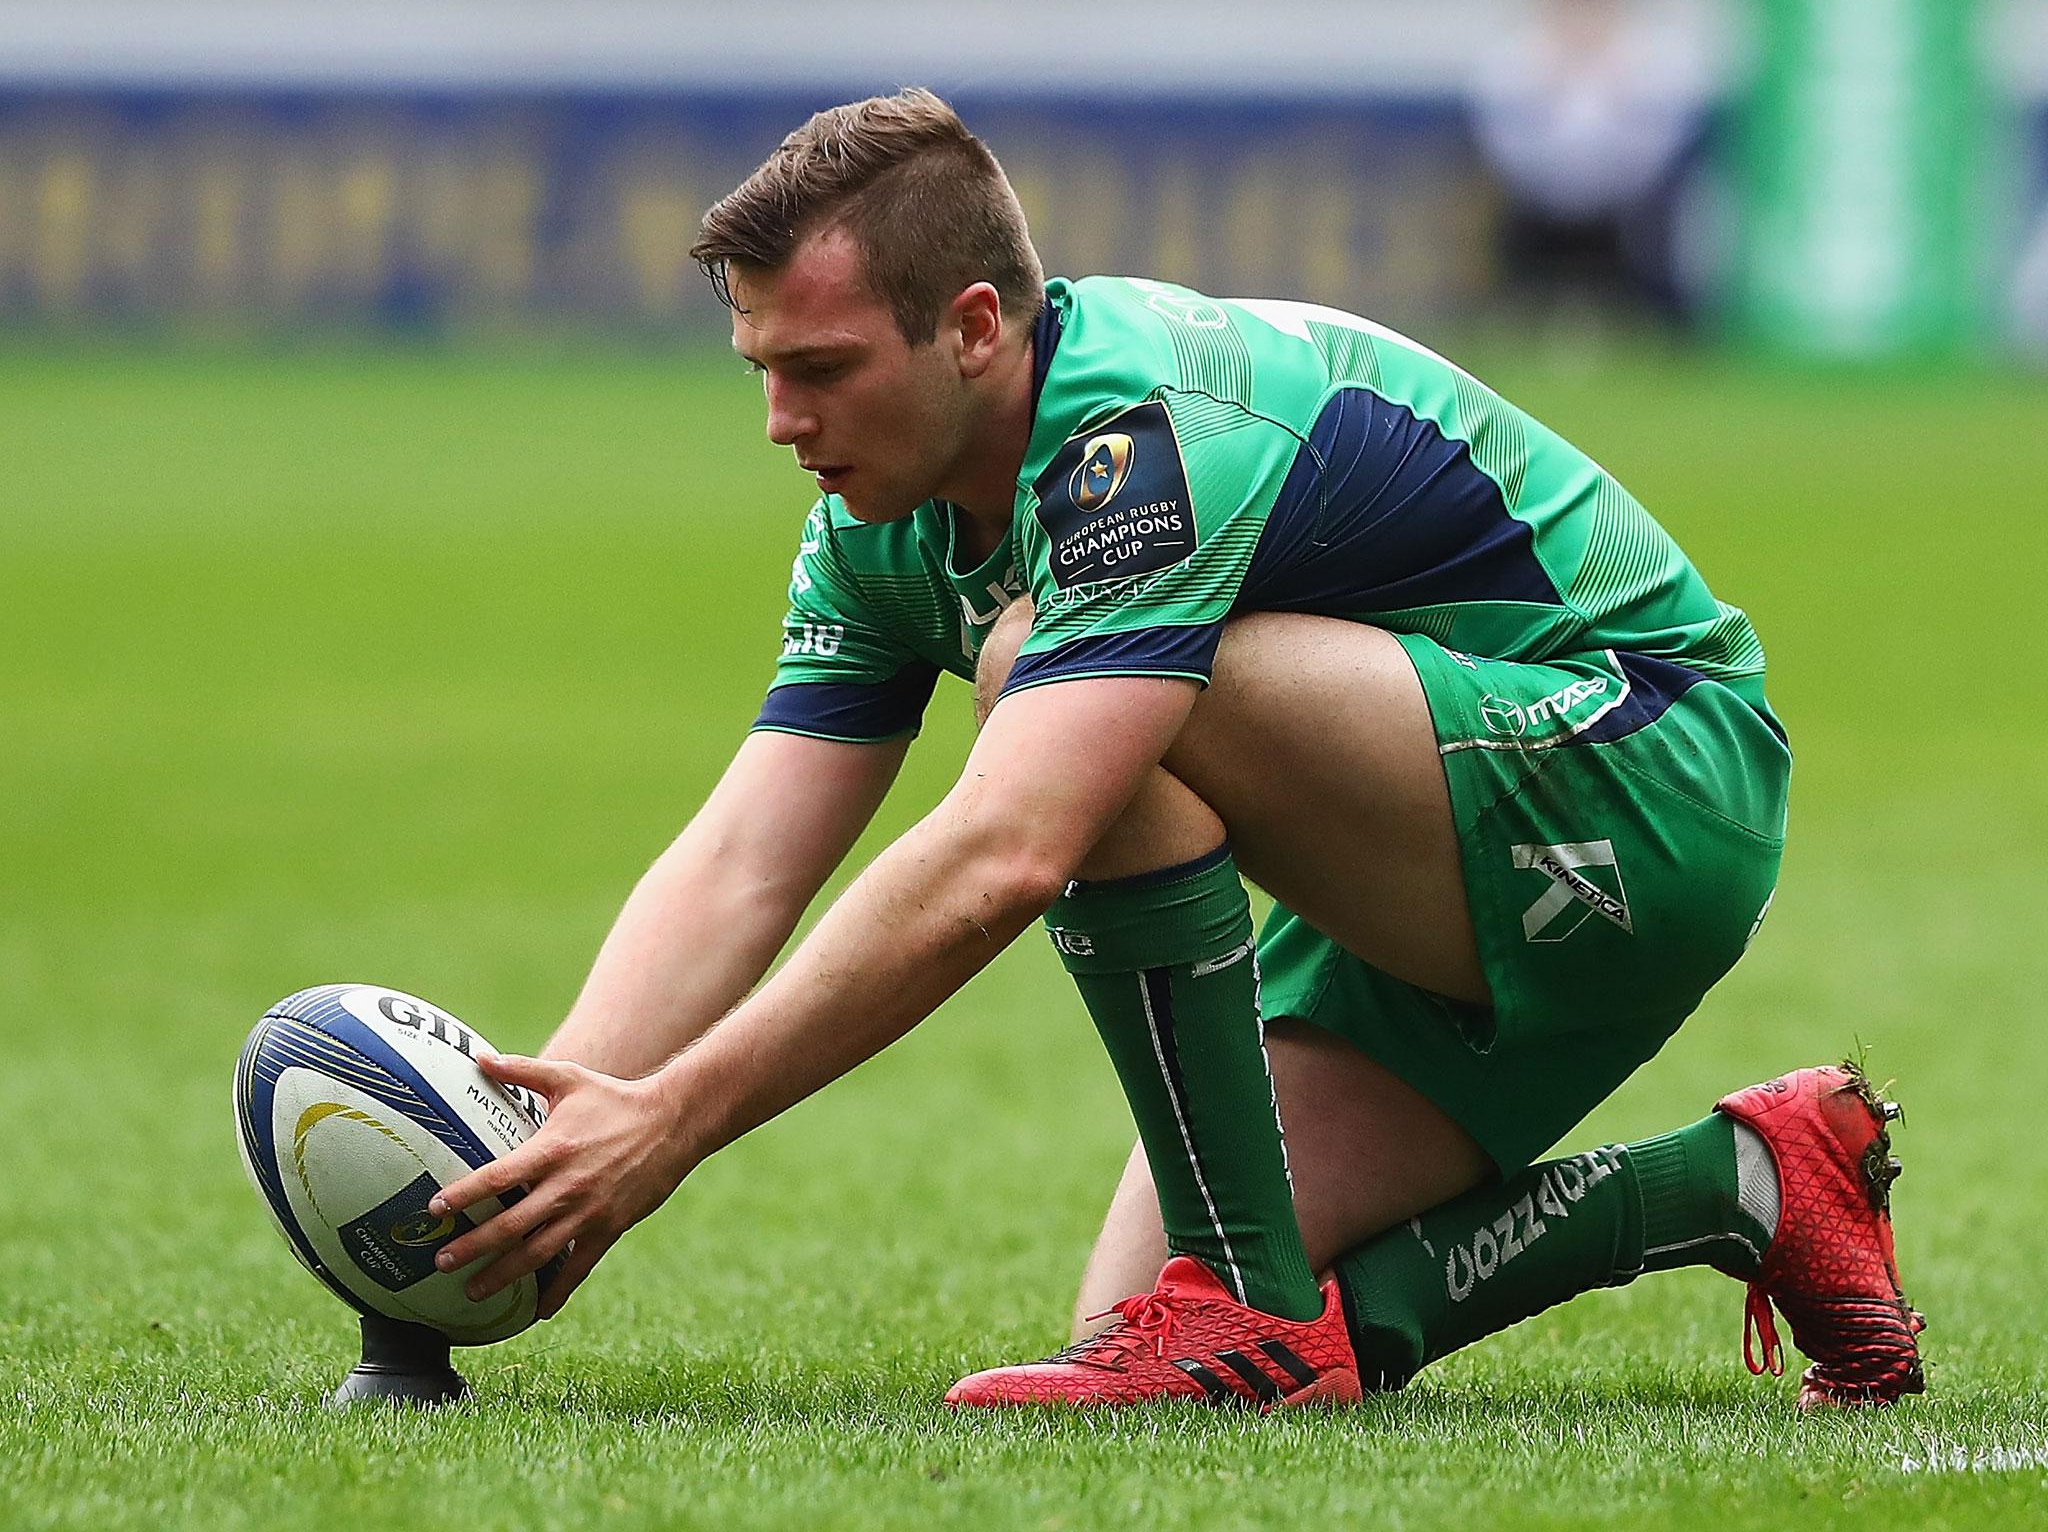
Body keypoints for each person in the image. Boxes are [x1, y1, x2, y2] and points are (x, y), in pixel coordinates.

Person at [428, 89, 1924, 1410]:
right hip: (1427, 832)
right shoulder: (878, 522)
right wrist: (542, 1148)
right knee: (1133, 1330)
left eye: (818, 367)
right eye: (757, 365)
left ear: (971, 325)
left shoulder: (1144, 439)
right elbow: (747, 858)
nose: (777, 419)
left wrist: (673, 1125)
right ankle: (1747, 1180)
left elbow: (1011, 851)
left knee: (1046, 681)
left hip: (1648, 768)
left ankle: (1246, 1303)